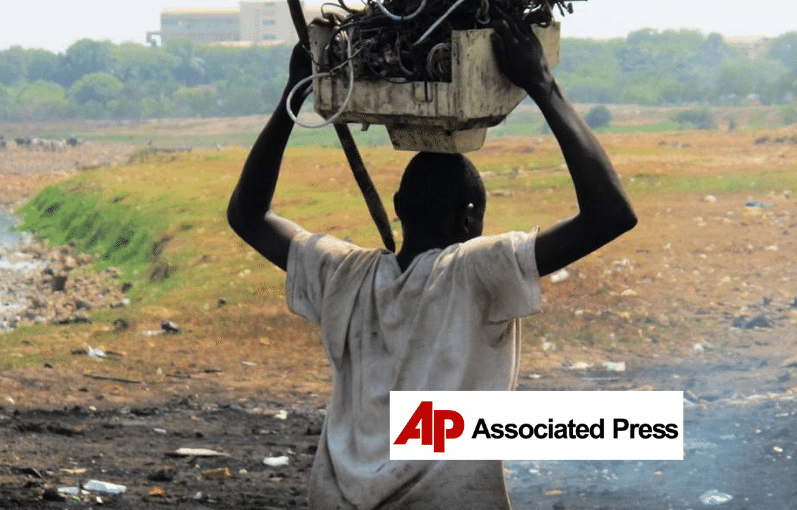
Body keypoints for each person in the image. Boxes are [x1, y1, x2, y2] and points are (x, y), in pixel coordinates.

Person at [226, 12, 636, 510]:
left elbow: (248, 216)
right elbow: (611, 215)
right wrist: (543, 87)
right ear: (468, 220)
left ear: (398, 208)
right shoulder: (474, 271)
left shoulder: (344, 275)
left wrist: (293, 95)